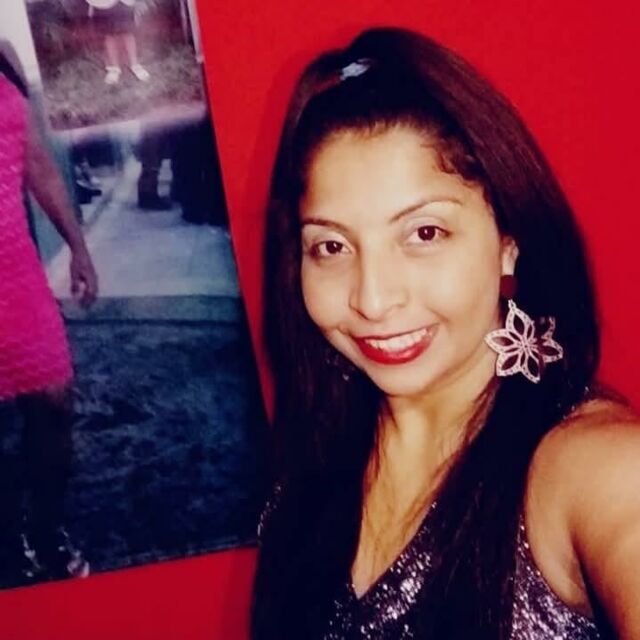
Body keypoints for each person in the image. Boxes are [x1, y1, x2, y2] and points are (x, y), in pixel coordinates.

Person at [252, 27, 640, 639]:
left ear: (508, 240)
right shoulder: (318, 454)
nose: (373, 300)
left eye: (424, 234)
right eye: (331, 246)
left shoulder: (589, 465)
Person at [0, 41, 98, 583]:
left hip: (15, 273)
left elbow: (36, 162)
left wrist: (78, 247)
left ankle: (44, 529)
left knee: (55, 400)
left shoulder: (2, 54)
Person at [86, 0, 150, 85]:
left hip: (123, 3)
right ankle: (114, 68)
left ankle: (135, 65)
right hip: (102, 3)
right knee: (109, 35)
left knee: (127, 32)